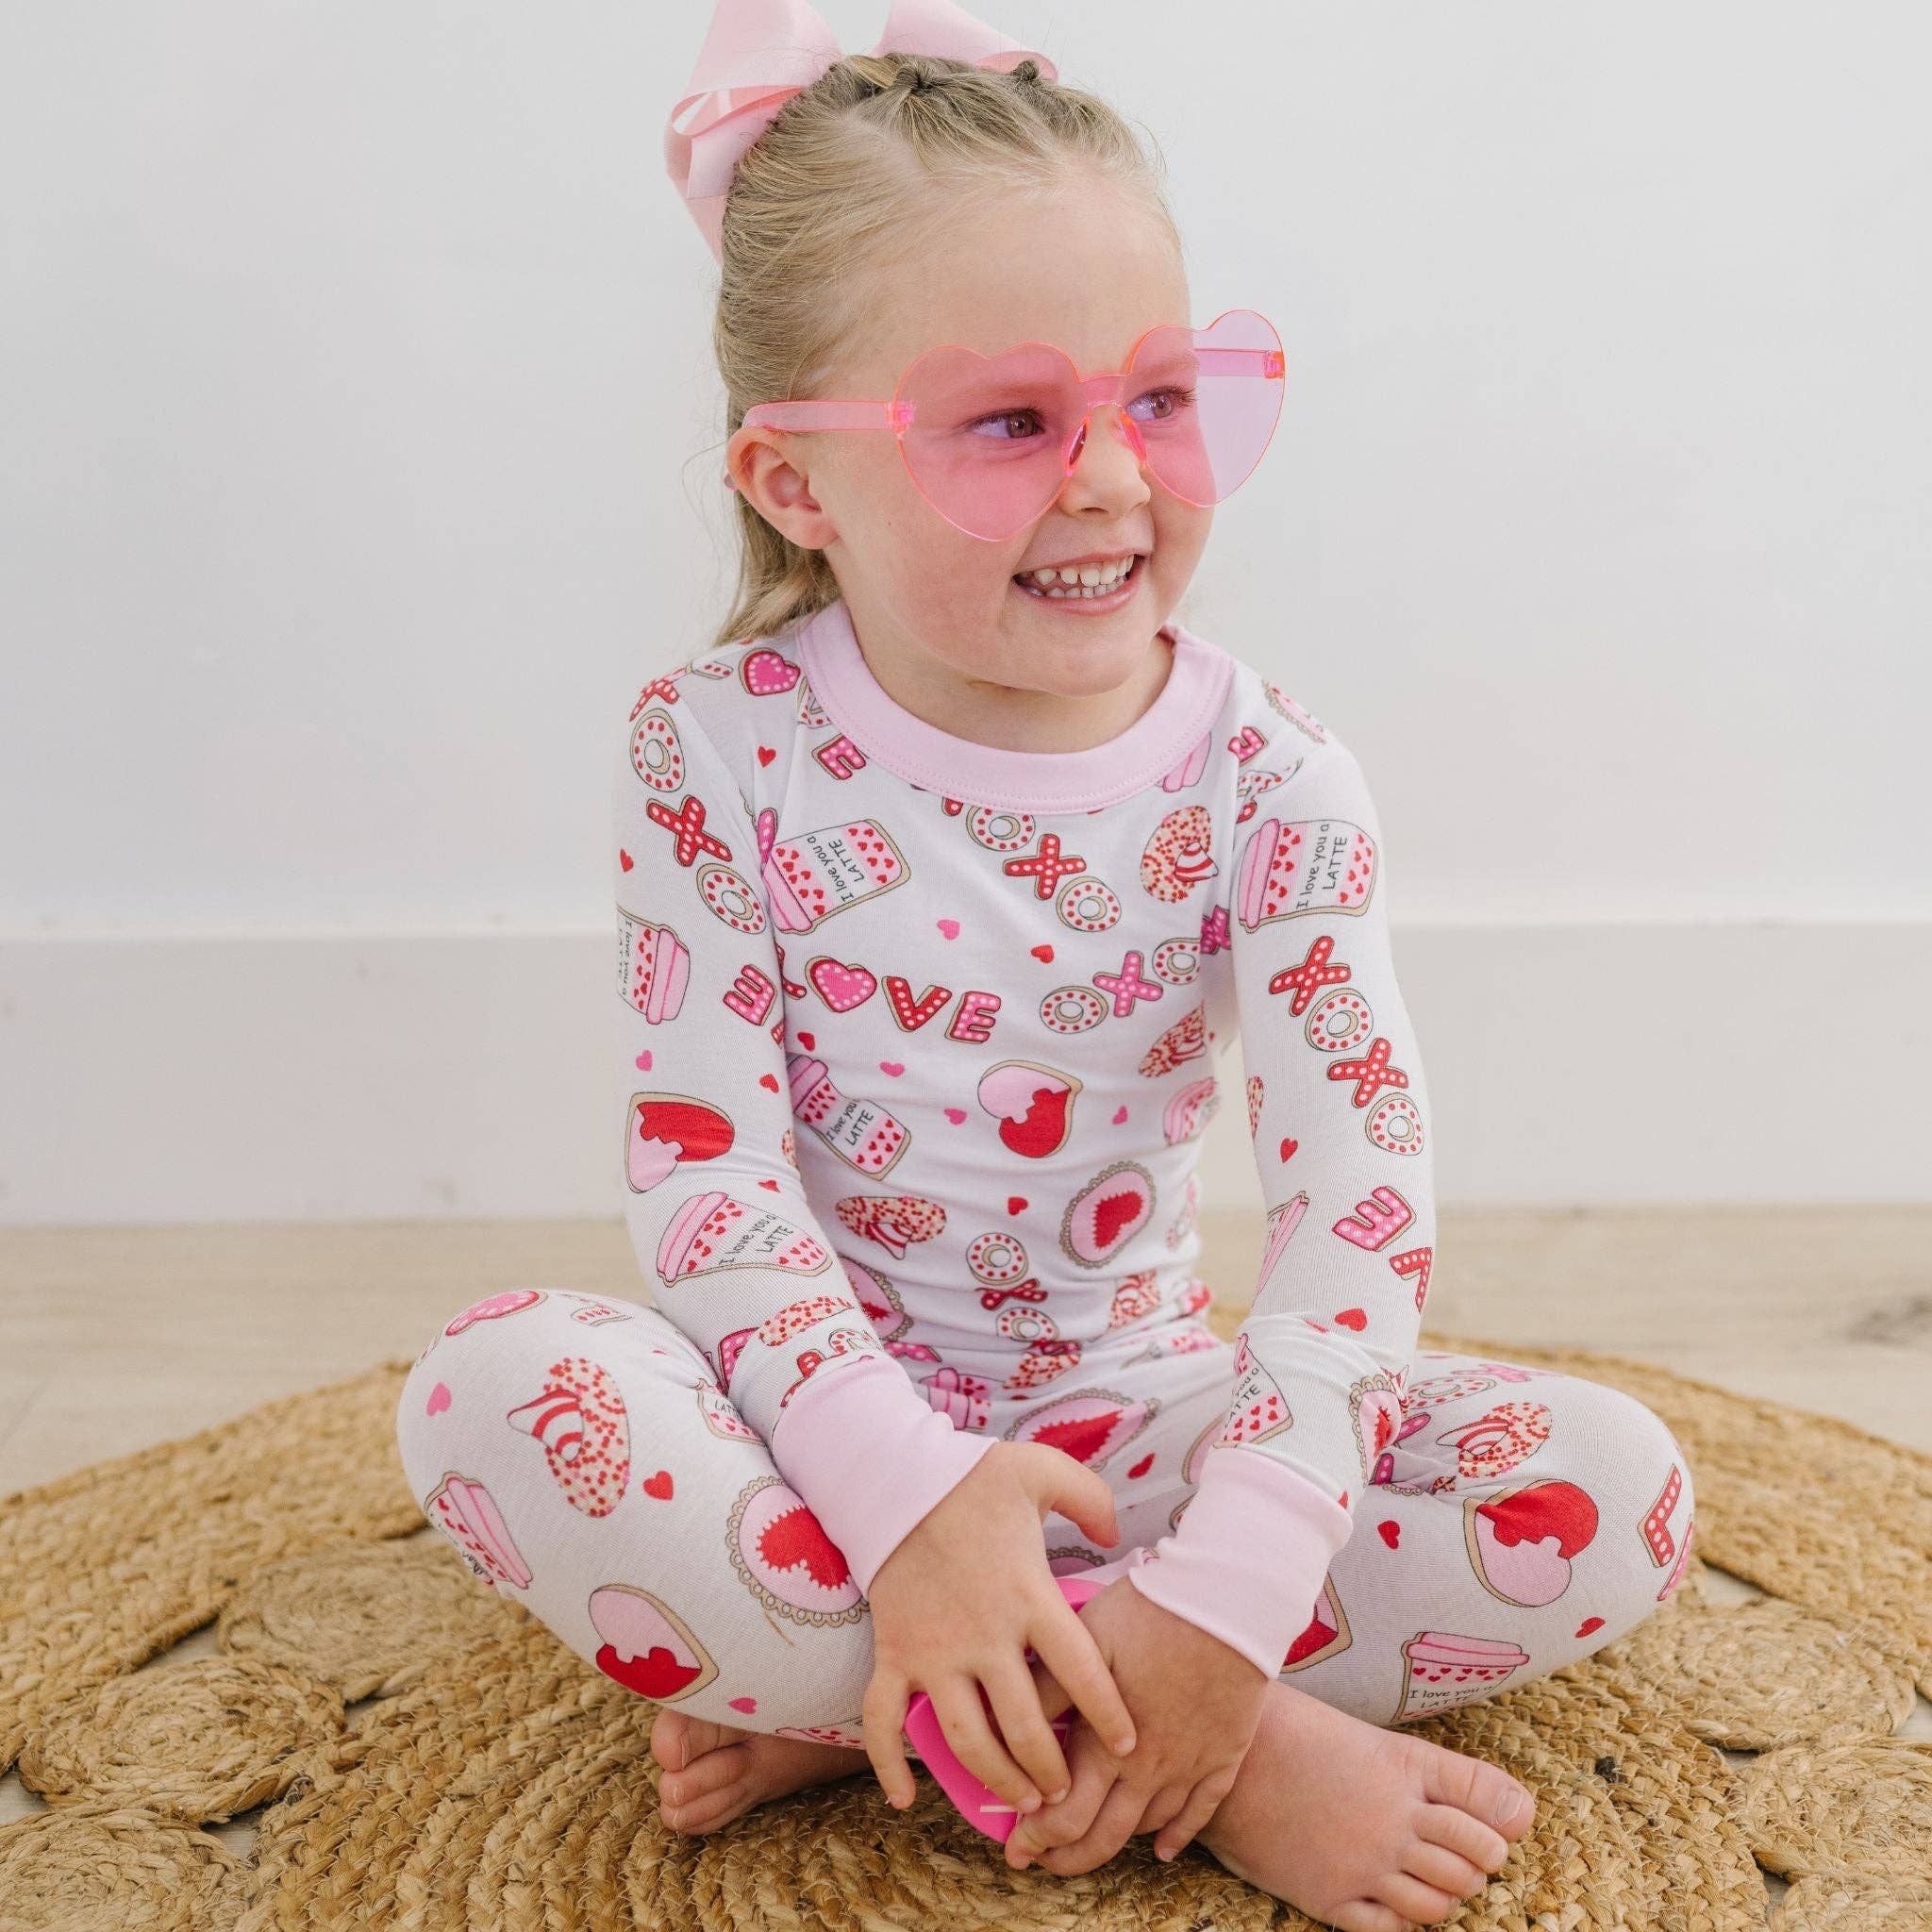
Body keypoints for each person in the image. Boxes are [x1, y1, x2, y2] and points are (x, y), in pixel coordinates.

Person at [395, 5, 1698, 1925]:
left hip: (1132, 1426)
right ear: (793, 483)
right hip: (807, 1437)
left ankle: (893, 1697)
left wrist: (1238, 1571)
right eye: (1010, 423)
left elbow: (1357, 1197)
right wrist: (911, 1504)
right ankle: (1181, 1736)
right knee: (485, 1391)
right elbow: (708, 1180)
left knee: (1612, 1486)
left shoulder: (1270, 774)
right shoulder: (713, 749)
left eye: (1162, 397)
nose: (1109, 480)